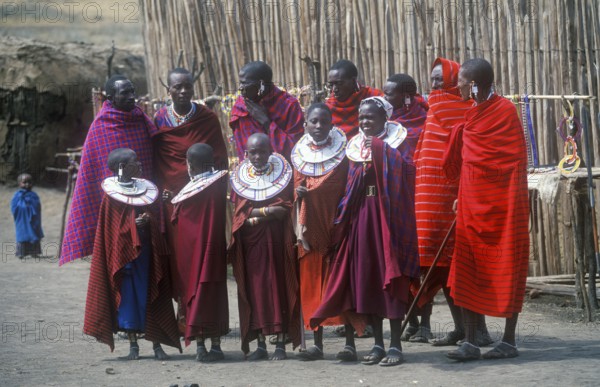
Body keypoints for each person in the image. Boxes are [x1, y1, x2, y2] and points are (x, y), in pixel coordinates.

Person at [310, 97, 419, 367]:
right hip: (361, 217)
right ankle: (378, 345)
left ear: (384, 119)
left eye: (370, 117)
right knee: (368, 280)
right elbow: (348, 183)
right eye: (361, 117)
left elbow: (408, 173)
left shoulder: (397, 143)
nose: (364, 122)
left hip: (386, 218)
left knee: (390, 279)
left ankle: (396, 345)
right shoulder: (355, 146)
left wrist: (381, 149)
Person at [443, 58, 529, 361]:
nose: (458, 87)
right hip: (471, 206)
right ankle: (470, 341)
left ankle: (508, 341)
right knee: (467, 267)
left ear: (475, 84)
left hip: (504, 208)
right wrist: (464, 194)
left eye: (462, 82)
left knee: (509, 266)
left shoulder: (505, 112)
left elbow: (514, 163)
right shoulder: (472, 115)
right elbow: (470, 162)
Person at [409, 58, 493, 346]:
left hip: (455, 200)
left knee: (463, 265)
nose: (433, 85)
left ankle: (478, 330)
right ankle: (460, 328)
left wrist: (463, 195)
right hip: (429, 203)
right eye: (431, 79)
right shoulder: (434, 107)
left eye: (439, 80)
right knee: (441, 266)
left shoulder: (469, 109)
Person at [83, 148, 181, 360]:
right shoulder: (110, 198)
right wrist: (132, 226)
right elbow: (112, 231)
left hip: (147, 255)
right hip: (125, 260)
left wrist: (150, 219)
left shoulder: (146, 189)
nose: (140, 164)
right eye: (134, 161)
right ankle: (133, 347)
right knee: (128, 302)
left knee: (152, 296)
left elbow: (154, 216)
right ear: (122, 167)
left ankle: (157, 346)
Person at [152, 67, 228, 314]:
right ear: (169, 90)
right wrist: (162, 191)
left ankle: (206, 312)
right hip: (173, 200)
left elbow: (220, 161)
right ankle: (185, 310)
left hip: (204, 199)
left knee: (205, 253)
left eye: (188, 86)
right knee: (179, 255)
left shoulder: (207, 118)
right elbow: (156, 162)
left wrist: (214, 194)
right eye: (178, 87)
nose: (183, 91)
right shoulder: (159, 120)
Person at [60, 75, 157, 266]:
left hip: (145, 204)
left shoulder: (141, 121)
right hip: (115, 208)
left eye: (132, 92)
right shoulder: (102, 126)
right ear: (111, 98)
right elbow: (94, 172)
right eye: (125, 93)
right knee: (119, 260)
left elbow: (152, 160)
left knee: (146, 259)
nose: (131, 97)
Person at [228, 133, 301, 361]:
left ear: (271, 152)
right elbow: (240, 213)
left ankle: (280, 342)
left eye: (262, 151)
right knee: (255, 289)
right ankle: (260, 343)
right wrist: (266, 212)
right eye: (252, 152)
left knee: (277, 287)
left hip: (277, 242)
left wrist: (256, 215)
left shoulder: (283, 176)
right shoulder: (240, 180)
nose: (257, 156)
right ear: (246, 154)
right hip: (251, 245)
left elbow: (285, 207)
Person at [291, 103, 348, 361]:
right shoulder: (299, 155)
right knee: (313, 283)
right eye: (313, 121)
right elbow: (296, 186)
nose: (318, 126)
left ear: (331, 124)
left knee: (342, 283)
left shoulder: (345, 153)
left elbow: (348, 186)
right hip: (310, 228)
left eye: (323, 122)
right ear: (305, 125)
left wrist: (316, 192)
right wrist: (300, 193)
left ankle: (350, 344)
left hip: (338, 224)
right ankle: (317, 344)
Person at [170, 143, 230, 362]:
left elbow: (178, 218)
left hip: (191, 251)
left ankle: (200, 347)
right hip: (214, 250)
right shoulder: (219, 183)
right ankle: (216, 346)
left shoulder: (194, 190)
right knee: (214, 293)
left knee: (194, 292)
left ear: (190, 166)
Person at [229, 61, 304, 162]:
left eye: (245, 83)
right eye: (240, 82)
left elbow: (296, 150)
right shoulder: (241, 104)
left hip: (283, 170)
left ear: (261, 84)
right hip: (250, 171)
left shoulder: (289, 105)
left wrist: (267, 123)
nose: (240, 88)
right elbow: (242, 149)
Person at [325, 59, 383, 138]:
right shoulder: (329, 107)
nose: (334, 89)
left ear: (353, 81)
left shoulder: (374, 98)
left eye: (339, 83)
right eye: (331, 85)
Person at [383, 73, 429, 162]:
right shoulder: (382, 115)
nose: (384, 98)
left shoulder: (425, 121)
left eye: (388, 94)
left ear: (406, 97)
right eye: (384, 93)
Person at [11, 173, 44, 259]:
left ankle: (34, 252)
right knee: (22, 234)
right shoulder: (17, 195)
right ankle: (21, 253)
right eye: (24, 182)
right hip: (21, 219)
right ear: (19, 183)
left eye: (29, 182)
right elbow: (14, 206)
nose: (27, 184)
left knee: (34, 233)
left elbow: (37, 206)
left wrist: (32, 210)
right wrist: (22, 208)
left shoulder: (34, 195)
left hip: (33, 219)